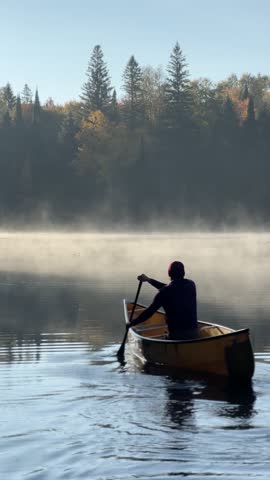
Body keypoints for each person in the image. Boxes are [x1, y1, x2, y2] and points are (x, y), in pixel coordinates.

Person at [129, 261, 198, 340]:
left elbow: (149, 313)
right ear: (183, 273)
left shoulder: (164, 292)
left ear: (169, 273)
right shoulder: (191, 285)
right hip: (194, 334)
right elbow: (171, 288)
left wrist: (131, 323)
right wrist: (149, 280)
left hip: (176, 336)